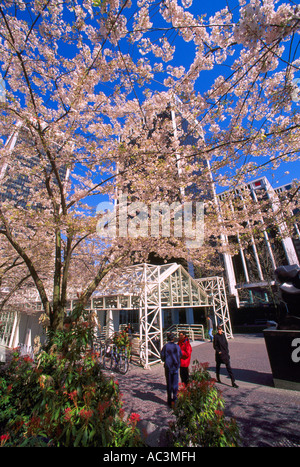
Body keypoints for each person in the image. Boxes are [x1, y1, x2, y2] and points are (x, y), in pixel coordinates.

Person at [160, 332, 182, 407]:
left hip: (168, 367)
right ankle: (175, 399)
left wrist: (166, 361)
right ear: (173, 338)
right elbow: (180, 355)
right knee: (175, 384)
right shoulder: (177, 347)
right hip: (175, 367)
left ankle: (169, 400)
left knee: (169, 383)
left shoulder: (165, 346)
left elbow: (162, 356)